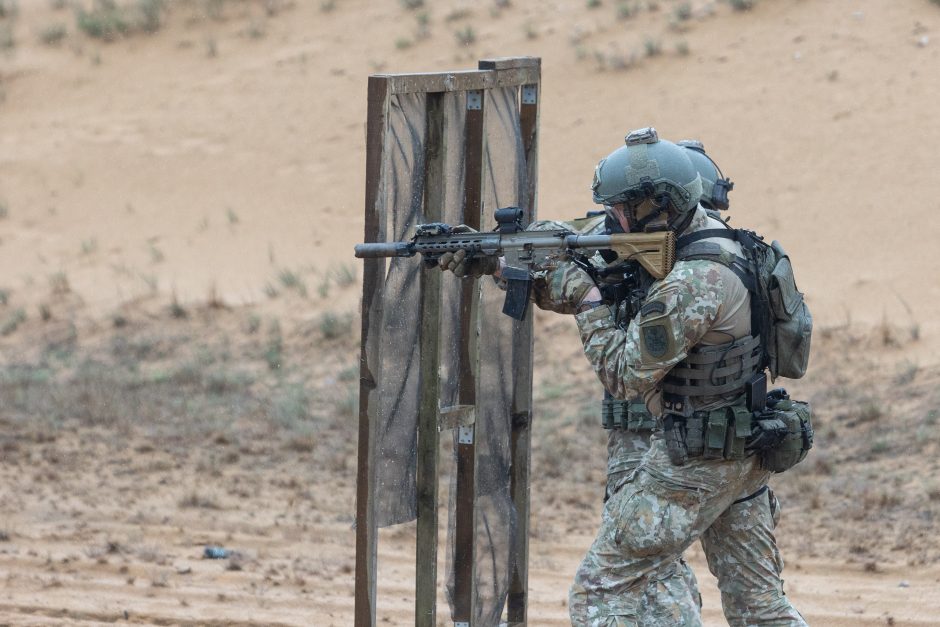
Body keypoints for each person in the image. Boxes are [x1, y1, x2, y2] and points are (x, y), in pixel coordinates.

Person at [438, 129, 807, 625]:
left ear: (658, 204)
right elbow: (580, 238)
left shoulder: (696, 281)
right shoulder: (715, 237)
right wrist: (496, 255)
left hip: (694, 463)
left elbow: (624, 373)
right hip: (744, 448)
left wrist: (588, 302)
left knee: (602, 591)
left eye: (622, 208)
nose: (613, 218)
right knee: (761, 607)